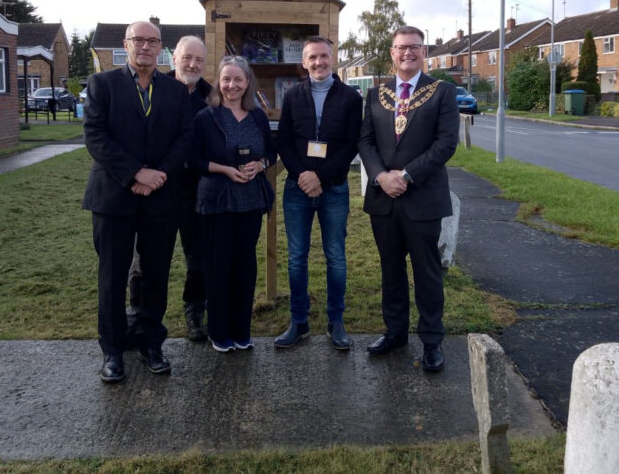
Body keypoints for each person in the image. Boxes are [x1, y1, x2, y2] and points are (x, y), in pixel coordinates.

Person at [83, 20, 192, 383]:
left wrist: (157, 174)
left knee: (156, 276)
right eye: (138, 40)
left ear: (161, 48)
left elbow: (185, 138)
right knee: (112, 277)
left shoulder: (174, 91)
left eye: (152, 41)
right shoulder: (103, 85)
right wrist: (135, 174)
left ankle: (151, 344)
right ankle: (113, 351)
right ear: (126, 45)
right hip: (114, 197)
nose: (145, 47)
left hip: (161, 198)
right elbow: (95, 137)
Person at [357, 25, 460, 372]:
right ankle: (395, 332)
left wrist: (406, 175)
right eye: (401, 48)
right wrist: (381, 176)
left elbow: (445, 144)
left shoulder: (442, 92)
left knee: (427, 272)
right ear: (392, 53)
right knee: (391, 270)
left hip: (423, 198)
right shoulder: (376, 94)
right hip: (384, 200)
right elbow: (366, 142)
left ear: (424, 52)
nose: (407, 53)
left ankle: (431, 341)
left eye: (414, 48)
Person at [274, 36, 362, 351]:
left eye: (323, 56)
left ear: (332, 58)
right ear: (304, 62)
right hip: (298, 189)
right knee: (297, 257)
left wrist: (319, 176)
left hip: (334, 188)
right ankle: (299, 322)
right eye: (312, 58)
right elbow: (283, 140)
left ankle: (335, 321)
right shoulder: (294, 96)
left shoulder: (351, 97)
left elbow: (352, 144)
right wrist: (303, 175)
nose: (318, 63)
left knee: (335, 256)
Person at [126, 36, 211, 343]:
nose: (192, 65)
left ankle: (194, 312)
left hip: (197, 191)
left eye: (199, 60)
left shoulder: (211, 96)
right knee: (145, 259)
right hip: (157, 189)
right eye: (187, 58)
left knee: (198, 258)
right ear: (173, 57)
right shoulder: (152, 89)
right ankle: (137, 317)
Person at [190, 56, 277, 352]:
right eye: (226, 79)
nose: (232, 85)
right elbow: (194, 159)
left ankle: (242, 331)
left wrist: (261, 164)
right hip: (217, 201)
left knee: (244, 266)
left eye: (238, 79)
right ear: (219, 82)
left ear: (247, 83)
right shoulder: (206, 117)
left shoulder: (258, 117)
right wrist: (224, 169)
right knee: (219, 266)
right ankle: (219, 332)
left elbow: (272, 153)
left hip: (251, 201)